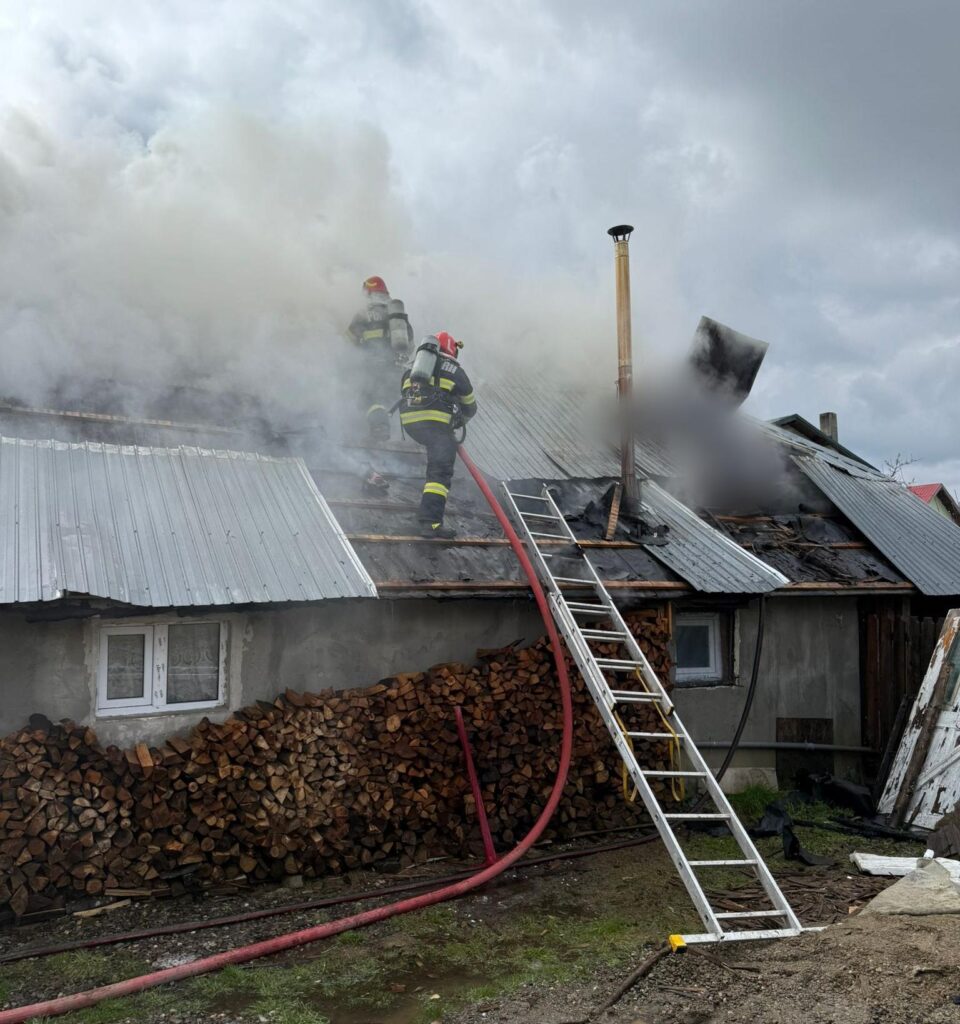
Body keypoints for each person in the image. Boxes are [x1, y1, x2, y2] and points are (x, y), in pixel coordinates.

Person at [399, 331, 477, 538]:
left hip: (411, 424)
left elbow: (403, 393)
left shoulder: (412, 369)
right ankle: (431, 523)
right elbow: (470, 406)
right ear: (452, 348)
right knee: (439, 473)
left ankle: (427, 518)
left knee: (435, 461)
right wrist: (457, 420)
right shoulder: (454, 369)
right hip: (436, 425)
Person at [347, 276, 413, 440]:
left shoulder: (363, 315)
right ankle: (387, 430)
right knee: (386, 399)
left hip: (370, 366)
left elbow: (348, 341)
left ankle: (379, 430)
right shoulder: (397, 316)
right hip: (393, 367)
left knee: (370, 398)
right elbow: (410, 344)